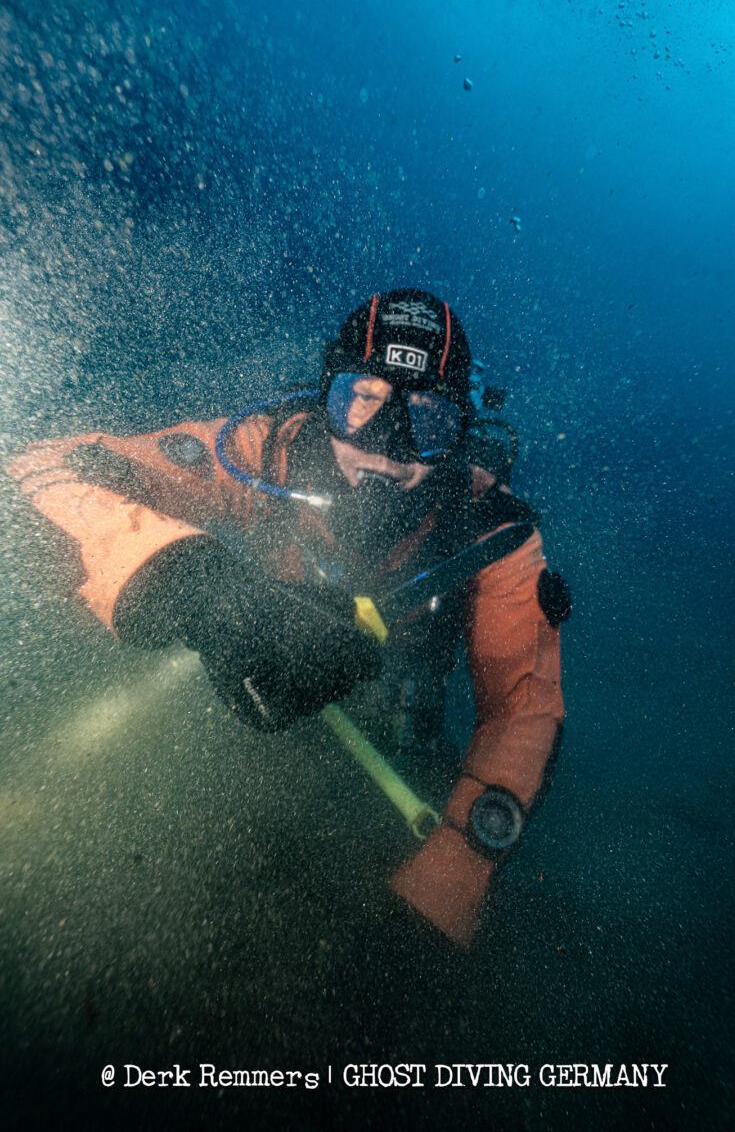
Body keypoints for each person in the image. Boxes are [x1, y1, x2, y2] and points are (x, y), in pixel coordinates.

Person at [8, 288, 569, 948]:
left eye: (428, 418)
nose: (388, 449)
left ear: (461, 432)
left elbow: (521, 708)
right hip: (247, 703)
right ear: (325, 395)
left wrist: (444, 890)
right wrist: (190, 580)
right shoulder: (267, 450)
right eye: (362, 400)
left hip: (393, 745)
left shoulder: (490, 534)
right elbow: (37, 470)